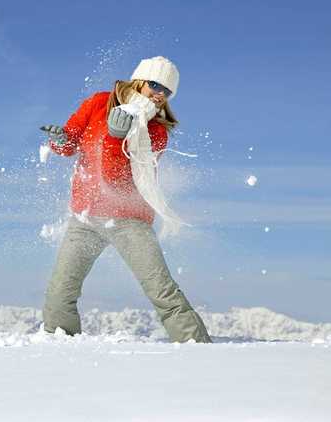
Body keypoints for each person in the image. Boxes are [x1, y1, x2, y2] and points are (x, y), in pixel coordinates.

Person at [40, 56, 211, 343]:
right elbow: (70, 144)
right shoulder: (98, 103)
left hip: (129, 220)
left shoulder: (156, 131)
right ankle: (59, 347)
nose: (160, 95)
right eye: (155, 85)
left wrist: (114, 138)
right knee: (60, 292)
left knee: (161, 290)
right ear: (139, 80)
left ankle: (198, 347)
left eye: (167, 92)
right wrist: (59, 140)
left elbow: (116, 180)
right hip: (86, 217)